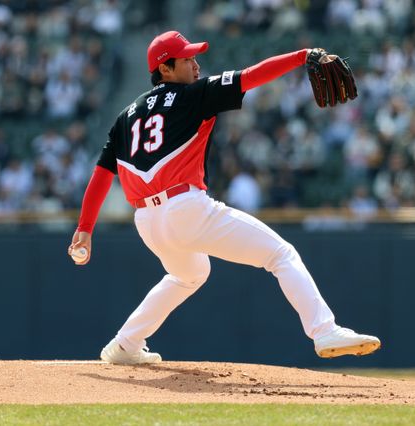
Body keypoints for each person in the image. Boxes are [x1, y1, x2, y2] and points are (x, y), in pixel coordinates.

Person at [67, 31, 381, 364]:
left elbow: (102, 174)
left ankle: (125, 344)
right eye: (187, 59)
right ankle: (324, 330)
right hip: (185, 207)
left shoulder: (125, 116)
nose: (196, 65)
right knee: (280, 254)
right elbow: (252, 76)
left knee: (190, 274)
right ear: (165, 69)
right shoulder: (195, 94)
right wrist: (303, 55)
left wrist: (85, 228)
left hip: (147, 222)